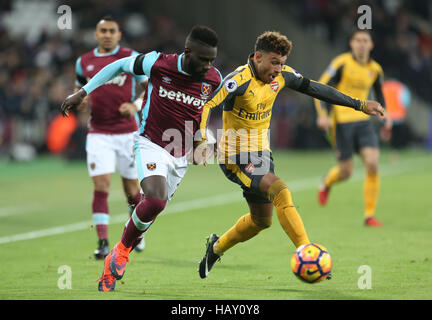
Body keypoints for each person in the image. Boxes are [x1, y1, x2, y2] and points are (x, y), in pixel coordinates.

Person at [197, 31, 385, 279]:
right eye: (274, 62)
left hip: (262, 154)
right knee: (280, 190)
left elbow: (316, 89)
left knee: (261, 221)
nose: (278, 68)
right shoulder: (238, 80)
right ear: (258, 57)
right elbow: (207, 104)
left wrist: (359, 104)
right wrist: (200, 138)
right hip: (235, 157)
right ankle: (307, 252)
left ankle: (216, 247)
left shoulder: (283, 76)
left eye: (282, 63)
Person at [61, 25, 223, 291]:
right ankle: (121, 251)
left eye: (211, 60)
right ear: (187, 51)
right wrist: (83, 91)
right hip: (150, 143)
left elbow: (202, 114)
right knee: (155, 200)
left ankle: (112, 265)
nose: (207, 65)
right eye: (203, 59)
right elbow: (118, 66)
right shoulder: (159, 63)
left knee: (147, 216)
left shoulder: (214, 80)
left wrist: (203, 141)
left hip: (180, 156)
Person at [74, 16, 148, 259]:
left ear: (118, 34)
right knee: (101, 186)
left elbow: (147, 87)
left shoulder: (130, 56)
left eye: (111, 31)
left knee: (131, 190)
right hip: (98, 134)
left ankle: (136, 232)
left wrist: (136, 105)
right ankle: (103, 242)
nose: (107, 34)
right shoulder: (83, 62)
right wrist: (81, 100)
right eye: (102, 30)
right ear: (96, 34)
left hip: (128, 133)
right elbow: (80, 90)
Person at [314, 29, 392, 227]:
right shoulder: (341, 63)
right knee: (346, 172)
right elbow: (320, 86)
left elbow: (379, 95)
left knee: (373, 164)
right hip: (341, 123)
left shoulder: (375, 69)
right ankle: (326, 182)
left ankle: (369, 215)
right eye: (358, 40)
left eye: (365, 40)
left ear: (371, 45)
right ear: (351, 43)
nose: (361, 44)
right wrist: (323, 115)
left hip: (364, 123)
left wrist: (386, 117)